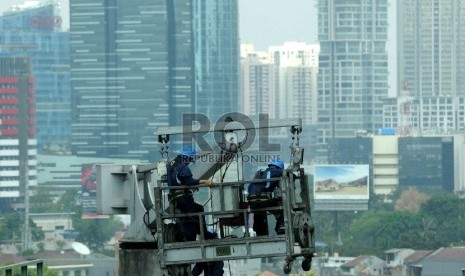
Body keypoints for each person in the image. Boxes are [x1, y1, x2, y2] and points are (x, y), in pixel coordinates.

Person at [167, 145, 216, 241]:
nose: (190, 162)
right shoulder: (182, 167)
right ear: (186, 157)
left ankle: (203, 233)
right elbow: (190, 181)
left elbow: (178, 180)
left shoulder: (172, 165)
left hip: (175, 197)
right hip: (183, 198)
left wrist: (189, 186)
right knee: (191, 217)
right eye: (190, 159)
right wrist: (205, 181)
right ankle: (191, 238)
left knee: (198, 209)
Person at [247, 159, 285, 236]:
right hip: (262, 201)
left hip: (252, 203)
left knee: (259, 213)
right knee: (280, 208)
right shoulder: (275, 171)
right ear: (278, 167)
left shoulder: (259, 173)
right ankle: (281, 228)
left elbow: (249, 189)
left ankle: (259, 233)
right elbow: (286, 173)